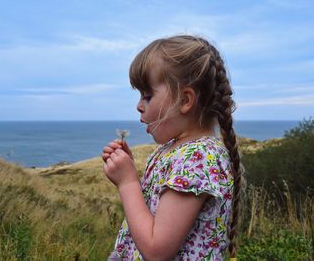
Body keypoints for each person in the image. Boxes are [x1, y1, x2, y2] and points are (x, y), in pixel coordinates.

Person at [101, 35, 243, 261]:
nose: (139, 106)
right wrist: (130, 171)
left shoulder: (199, 158)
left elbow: (157, 251)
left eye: (147, 95)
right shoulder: (175, 150)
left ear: (186, 100)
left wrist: (127, 183)